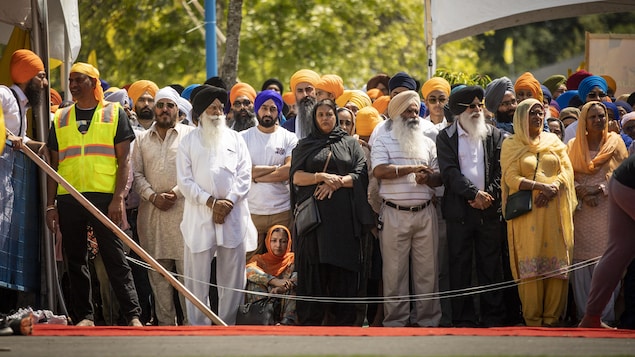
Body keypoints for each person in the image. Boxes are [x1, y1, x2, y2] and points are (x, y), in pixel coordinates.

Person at [45, 62, 142, 327]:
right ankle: (84, 316)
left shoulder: (113, 113)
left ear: (93, 83)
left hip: (104, 197)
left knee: (115, 258)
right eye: (70, 80)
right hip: (69, 196)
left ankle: (133, 315)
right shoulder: (61, 118)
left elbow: (125, 162)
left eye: (79, 80)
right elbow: (53, 165)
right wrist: (49, 205)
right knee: (75, 260)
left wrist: (118, 198)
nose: (73, 85)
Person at [177, 85, 257, 325]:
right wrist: (211, 202)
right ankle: (198, 327)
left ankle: (227, 325)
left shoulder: (236, 139)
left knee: (232, 276)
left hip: (232, 215)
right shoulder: (188, 142)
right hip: (200, 216)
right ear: (201, 112)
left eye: (221, 108)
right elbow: (184, 181)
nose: (218, 112)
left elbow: (245, 174)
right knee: (196, 277)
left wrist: (228, 202)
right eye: (213, 108)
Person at [290, 99, 373, 326]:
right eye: (321, 115)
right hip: (314, 224)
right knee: (313, 274)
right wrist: (320, 177)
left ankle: (343, 326)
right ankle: (310, 325)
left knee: (342, 273)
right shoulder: (305, 145)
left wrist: (335, 183)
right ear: (315, 119)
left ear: (335, 117)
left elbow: (360, 175)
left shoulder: (350, 144)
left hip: (343, 222)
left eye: (329, 114)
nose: (326, 118)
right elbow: (296, 177)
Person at [500, 98, 577, 327]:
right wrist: (539, 187)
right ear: (521, 116)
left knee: (555, 263)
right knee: (530, 264)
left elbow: (567, 171)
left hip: (554, 211)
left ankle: (552, 319)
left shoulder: (553, 141)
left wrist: (553, 187)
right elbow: (510, 178)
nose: (537, 117)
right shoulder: (512, 144)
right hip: (528, 213)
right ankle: (533, 320)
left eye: (539, 113)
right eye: (531, 113)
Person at [371, 90, 443, 327]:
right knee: (394, 274)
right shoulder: (382, 139)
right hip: (394, 213)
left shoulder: (428, 142)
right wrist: (410, 170)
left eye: (415, 111)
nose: (413, 115)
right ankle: (395, 324)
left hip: (425, 213)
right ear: (395, 114)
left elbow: (438, 176)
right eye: (408, 111)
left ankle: (428, 322)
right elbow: (379, 171)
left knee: (428, 274)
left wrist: (428, 178)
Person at [437, 86, 507, 327]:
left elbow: (501, 170)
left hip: (489, 209)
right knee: (460, 265)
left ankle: (493, 317)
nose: (477, 110)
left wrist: (487, 196)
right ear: (459, 111)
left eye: (479, 105)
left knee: (491, 264)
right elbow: (449, 172)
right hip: (460, 211)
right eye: (472, 106)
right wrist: (473, 193)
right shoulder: (445, 137)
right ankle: (463, 318)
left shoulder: (494, 135)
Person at [132, 87, 195, 325]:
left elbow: (196, 172)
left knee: (188, 281)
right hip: (152, 219)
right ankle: (166, 331)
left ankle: (194, 333)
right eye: (161, 105)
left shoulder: (190, 135)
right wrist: (153, 196)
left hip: (183, 219)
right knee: (158, 281)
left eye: (170, 105)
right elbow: (135, 174)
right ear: (155, 109)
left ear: (177, 110)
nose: (165, 110)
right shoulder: (141, 139)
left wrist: (175, 193)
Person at [567, 101, 628, 325]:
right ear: (584, 120)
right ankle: (587, 318)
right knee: (581, 266)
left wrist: (599, 189)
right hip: (581, 212)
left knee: (607, 261)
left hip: (608, 209)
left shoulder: (616, 142)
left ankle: (606, 318)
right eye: (592, 117)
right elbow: (566, 174)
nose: (598, 120)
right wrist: (581, 190)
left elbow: (622, 174)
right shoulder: (573, 145)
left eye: (601, 116)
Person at [578, 153, 635, 328]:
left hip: (620, 182)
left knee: (618, 251)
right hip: (628, 184)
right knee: (618, 251)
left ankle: (591, 317)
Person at [241, 90, 298, 254]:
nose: (268, 113)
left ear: (278, 111)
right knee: (249, 265)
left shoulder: (289, 138)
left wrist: (256, 176)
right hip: (251, 211)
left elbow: (287, 172)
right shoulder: (242, 138)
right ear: (257, 109)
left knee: (281, 263)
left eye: (273, 109)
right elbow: (242, 172)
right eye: (264, 108)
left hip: (281, 211)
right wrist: (275, 168)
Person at [245, 225, 297, 325]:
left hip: (285, 297)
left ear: (289, 242)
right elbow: (248, 270)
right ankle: (263, 319)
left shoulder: (293, 259)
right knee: (254, 282)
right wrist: (274, 281)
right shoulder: (259, 259)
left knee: (294, 285)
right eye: (274, 240)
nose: (278, 245)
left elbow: (299, 276)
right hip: (266, 298)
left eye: (283, 241)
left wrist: (282, 288)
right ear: (268, 241)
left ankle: (286, 322)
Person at [0, 49, 49, 155]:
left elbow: (19, 138)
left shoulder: (22, 105)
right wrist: (7, 136)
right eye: (41, 76)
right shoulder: (4, 95)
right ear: (26, 77)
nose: (45, 83)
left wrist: (39, 146)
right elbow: (11, 137)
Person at [281, 69, 320, 138]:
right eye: (300, 91)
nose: (305, 95)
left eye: (308, 89)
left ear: (317, 91)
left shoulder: (328, 123)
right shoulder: (287, 128)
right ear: (295, 95)